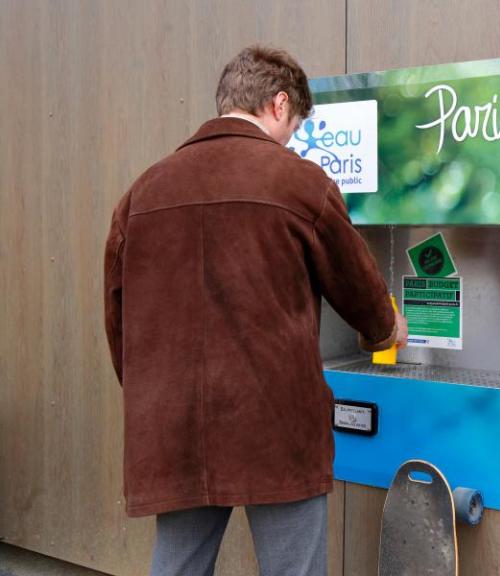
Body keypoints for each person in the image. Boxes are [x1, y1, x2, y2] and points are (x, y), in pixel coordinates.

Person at [103, 45, 407, 576]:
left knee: (177, 567)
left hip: (174, 425)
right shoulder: (300, 182)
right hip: (275, 423)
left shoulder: (142, 192)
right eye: (296, 125)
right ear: (279, 104)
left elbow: (117, 318)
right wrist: (386, 328)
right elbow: (359, 288)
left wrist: (154, 398)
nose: (292, 138)